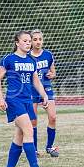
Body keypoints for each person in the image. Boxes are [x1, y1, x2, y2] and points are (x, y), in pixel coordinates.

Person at [0, 30, 53, 167]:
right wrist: (0, 98)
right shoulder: (8, 59)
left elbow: (35, 80)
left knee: (20, 135)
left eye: (29, 41)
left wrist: (44, 95)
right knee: (29, 130)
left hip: (28, 100)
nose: (28, 43)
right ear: (17, 43)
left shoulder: (30, 60)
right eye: (25, 41)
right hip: (14, 100)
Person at [30, 29, 59, 157]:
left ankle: (49, 147)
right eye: (35, 39)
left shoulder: (48, 55)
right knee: (33, 121)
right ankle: (34, 150)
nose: (38, 42)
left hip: (47, 89)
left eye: (40, 39)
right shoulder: (27, 56)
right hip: (31, 90)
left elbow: (54, 73)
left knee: (52, 117)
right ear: (30, 41)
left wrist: (51, 75)